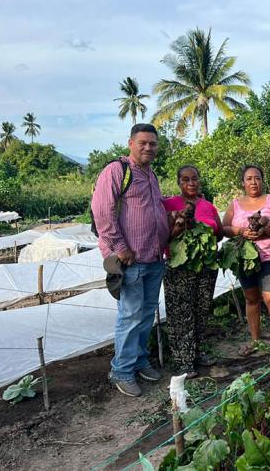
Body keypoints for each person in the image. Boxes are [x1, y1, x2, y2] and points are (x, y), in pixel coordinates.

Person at [91, 123, 170, 397]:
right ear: (130, 143)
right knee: (131, 314)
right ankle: (121, 370)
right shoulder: (117, 170)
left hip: (153, 256)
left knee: (146, 314)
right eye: (143, 143)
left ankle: (138, 360)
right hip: (131, 258)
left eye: (153, 143)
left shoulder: (151, 174)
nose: (148, 147)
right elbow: (102, 213)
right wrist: (120, 247)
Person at [161, 165, 223, 378]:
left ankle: (197, 353)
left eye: (194, 179)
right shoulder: (169, 204)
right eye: (185, 179)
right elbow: (163, 236)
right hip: (179, 266)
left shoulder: (207, 205)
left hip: (205, 265)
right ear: (179, 182)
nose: (191, 183)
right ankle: (182, 361)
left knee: (201, 309)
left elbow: (220, 233)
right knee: (180, 314)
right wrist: (180, 225)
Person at [222, 165, 270, 356]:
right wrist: (241, 231)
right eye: (249, 178)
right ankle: (255, 341)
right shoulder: (235, 204)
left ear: (263, 180)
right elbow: (224, 227)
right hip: (246, 259)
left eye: (257, 178)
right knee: (251, 299)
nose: (253, 182)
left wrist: (265, 232)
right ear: (243, 182)